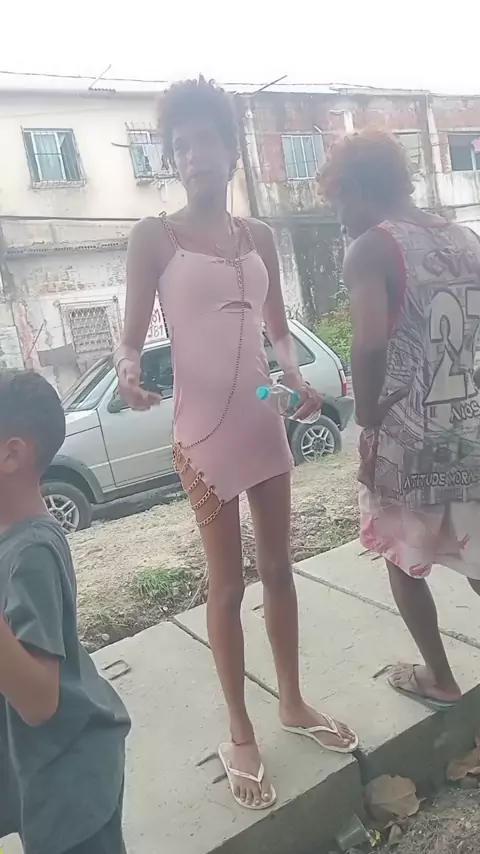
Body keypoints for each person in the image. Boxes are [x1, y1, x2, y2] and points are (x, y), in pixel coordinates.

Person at [115, 76, 358, 811]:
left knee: (280, 569)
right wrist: (128, 373)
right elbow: (131, 342)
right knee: (226, 586)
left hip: (261, 417)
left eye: (206, 141)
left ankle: (291, 701)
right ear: (173, 158)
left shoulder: (260, 237)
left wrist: (296, 379)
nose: (193, 155)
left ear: (230, 151)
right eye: (180, 145)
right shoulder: (152, 238)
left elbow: (277, 329)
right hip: (201, 434)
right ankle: (239, 730)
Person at [318, 129, 480, 711]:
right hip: (469, 430)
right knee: (477, 556)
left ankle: (440, 677)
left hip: (408, 437)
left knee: (403, 559)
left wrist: (366, 417)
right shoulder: (464, 237)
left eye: (339, 202)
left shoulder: (372, 247)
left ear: (356, 188)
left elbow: (368, 345)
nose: (340, 220)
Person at [0, 370, 130, 854]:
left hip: (69, 784)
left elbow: (39, 701)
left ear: (11, 454)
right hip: (34, 769)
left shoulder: (32, 552)